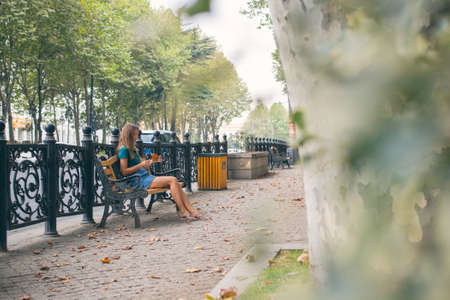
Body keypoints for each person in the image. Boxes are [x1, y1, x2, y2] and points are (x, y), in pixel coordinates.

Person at [117, 123, 203, 220]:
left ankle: (191, 211)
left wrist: (152, 161)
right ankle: (182, 211)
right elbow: (124, 171)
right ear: (129, 135)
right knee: (173, 180)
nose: (137, 137)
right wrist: (141, 165)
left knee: (176, 184)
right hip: (138, 181)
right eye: (135, 134)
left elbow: (141, 164)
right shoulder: (124, 150)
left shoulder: (132, 150)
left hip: (146, 178)